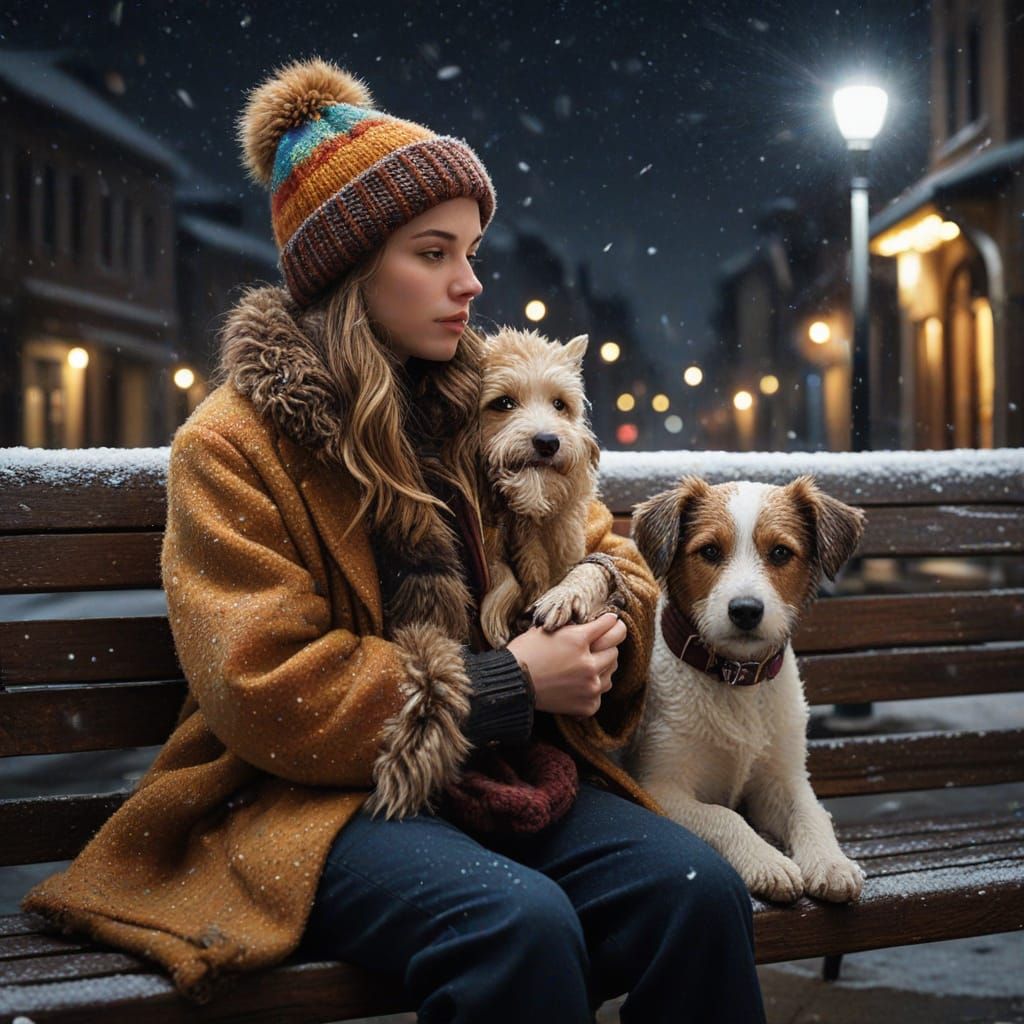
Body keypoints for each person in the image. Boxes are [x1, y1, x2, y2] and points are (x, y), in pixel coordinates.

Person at [24, 59, 766, 1023]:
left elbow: (607, 549)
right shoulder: (233, 444)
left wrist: (599, 603)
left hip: (502, 779)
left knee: (699, 893)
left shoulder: (481, 407)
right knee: (518, 926)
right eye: (434, 252)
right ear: (348, 267)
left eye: (471, 250)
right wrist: (509, 685)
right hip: (308, 802)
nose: (470, 282)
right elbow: (264, 685)